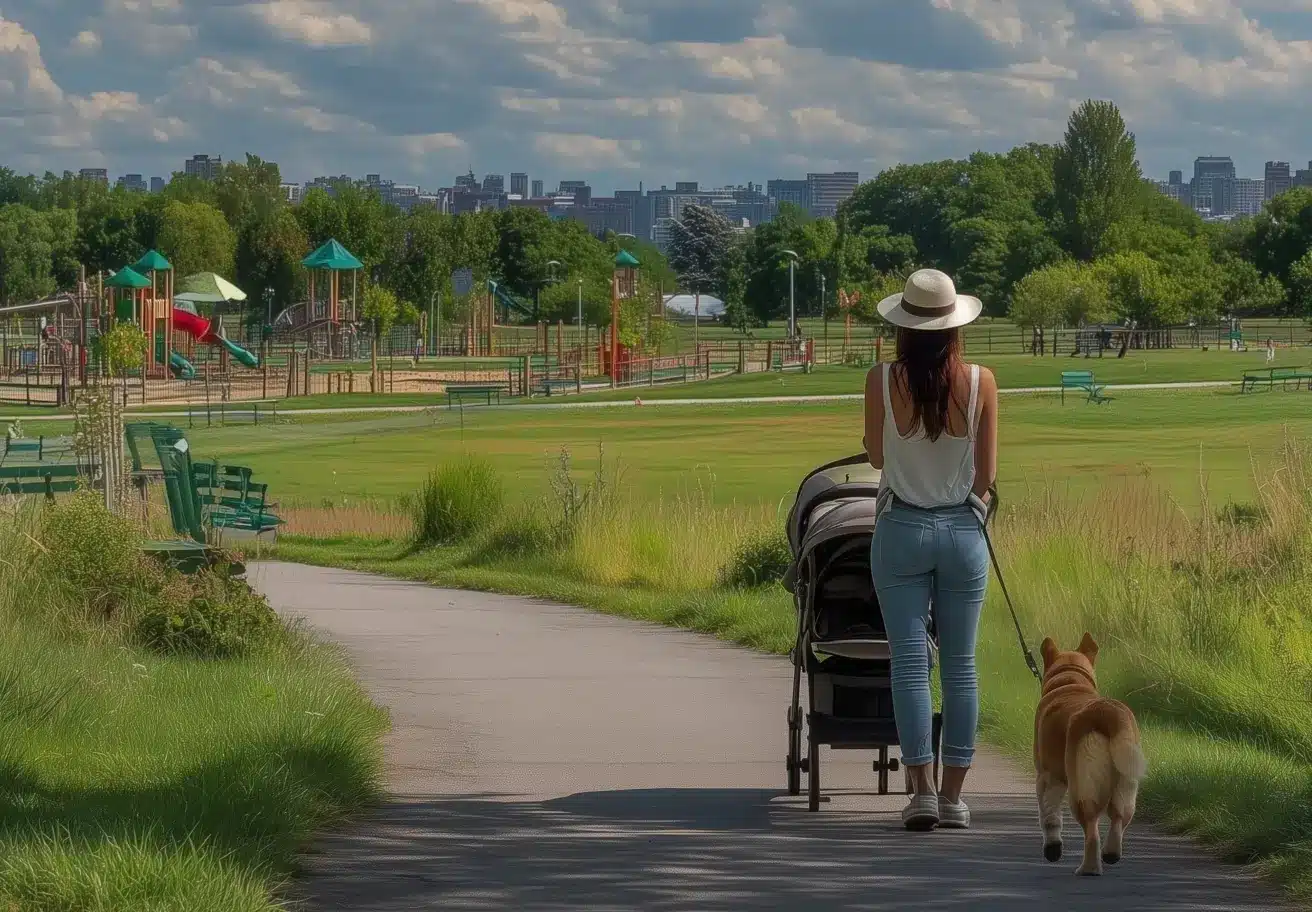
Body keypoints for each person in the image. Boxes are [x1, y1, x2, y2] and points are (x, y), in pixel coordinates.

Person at [863, 268, 999, 832]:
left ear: (904, 327)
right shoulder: (982, 382)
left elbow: (874, 457)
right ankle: (953, 797)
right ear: (954, 328)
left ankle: (918, 788)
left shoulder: (880, 380)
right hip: (963, 534)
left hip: (900, 530)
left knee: (911, 666)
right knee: (962, 667)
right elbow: (984, 477)